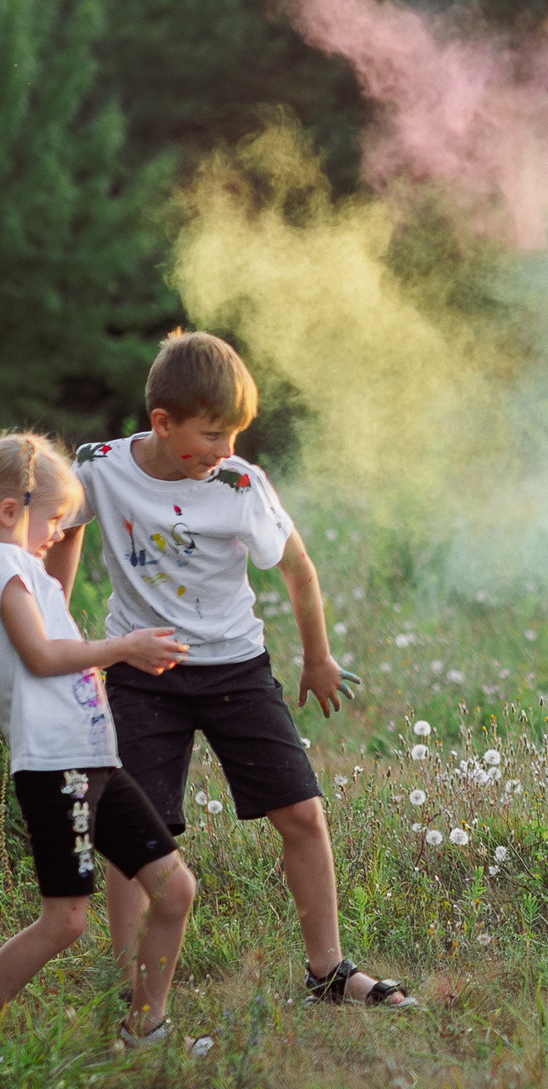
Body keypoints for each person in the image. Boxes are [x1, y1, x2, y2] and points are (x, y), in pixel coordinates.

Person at [51, 331, 416, 1009]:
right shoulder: (100, 466)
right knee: (138, 828)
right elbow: (66, 528)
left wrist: (319, 655)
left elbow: (298, 567)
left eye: (236, 435)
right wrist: (59, 630)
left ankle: (328, 971)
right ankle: (128, 981)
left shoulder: (240, 482)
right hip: (142, 670)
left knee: (303, 813)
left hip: (237, 668)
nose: (228, 451)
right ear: (163, 423)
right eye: (215, 434)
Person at [0, 432, 199, 1058]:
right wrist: (125, 648)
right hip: (57, 769)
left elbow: (56, 600)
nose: (59, 529)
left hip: (94, 760)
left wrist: (76, 508)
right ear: (9, 511)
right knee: (66, 919)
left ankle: (145, 1031)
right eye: (51, 519)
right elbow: (43, 654)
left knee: (175, 889)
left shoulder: (24, 567)